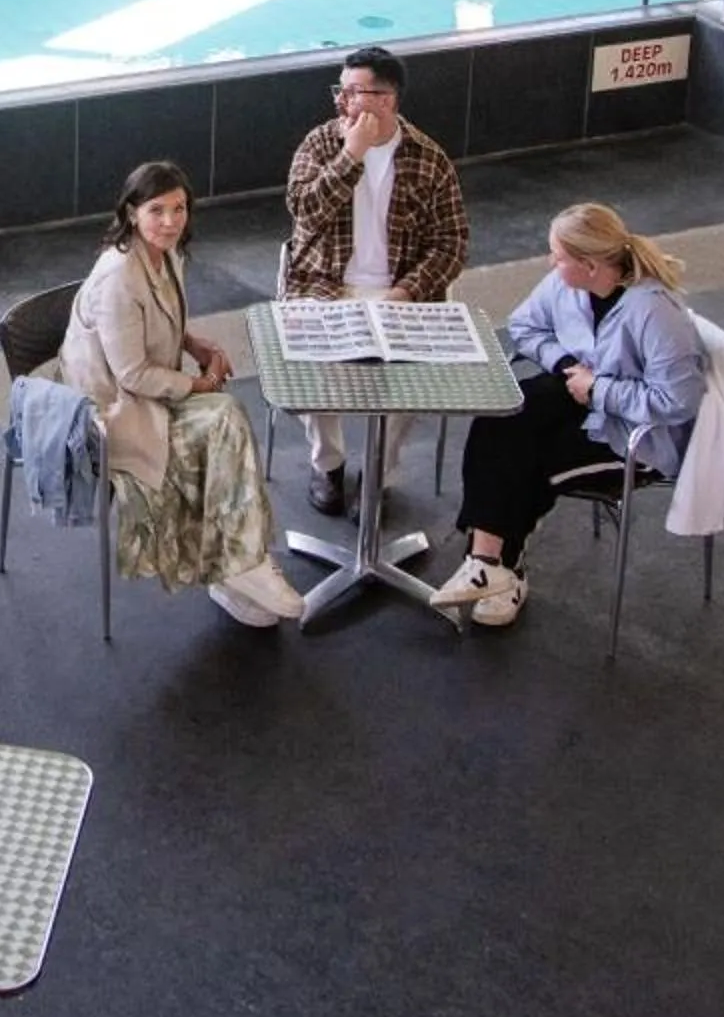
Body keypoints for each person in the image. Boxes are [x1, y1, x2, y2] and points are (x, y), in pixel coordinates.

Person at [426, 202, 705, 629]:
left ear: (589, 265)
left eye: (557, 256)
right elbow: (524, 326)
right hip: (582, 396)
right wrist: (563, 365)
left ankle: (502, 570)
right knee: (501, 417)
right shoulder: (566, 283)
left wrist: (598, 389)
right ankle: (486, 563)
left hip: (636, 436)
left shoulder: (654, 312)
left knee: (533, 459)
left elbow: (677, 401)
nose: (550, 263)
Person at [60, 162, 309, 629]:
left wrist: (197, 345)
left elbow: (161, 324)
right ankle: (243, 562)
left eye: (179, 209)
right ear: (132, 213)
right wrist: (202, 384)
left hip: (143, 390)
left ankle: (237, 566)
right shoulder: (118, 277)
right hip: (109, 410)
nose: (171, 221)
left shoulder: (167, 254)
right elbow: (132, 374)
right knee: (224, 416)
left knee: (225, 421)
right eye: (157, 210)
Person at [280, 46, 471, 517]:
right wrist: (351, 156)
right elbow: (303, 212)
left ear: (386, 100)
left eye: (354, 93)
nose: (342, 103)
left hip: (399, 292)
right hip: (323, 284)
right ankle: (328, 463)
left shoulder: (429, 159)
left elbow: (452, 242)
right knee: (308, 360)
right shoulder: (321, 144)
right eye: (339, 92)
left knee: (410, 379)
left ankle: (378, 476)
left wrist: (405, 292)